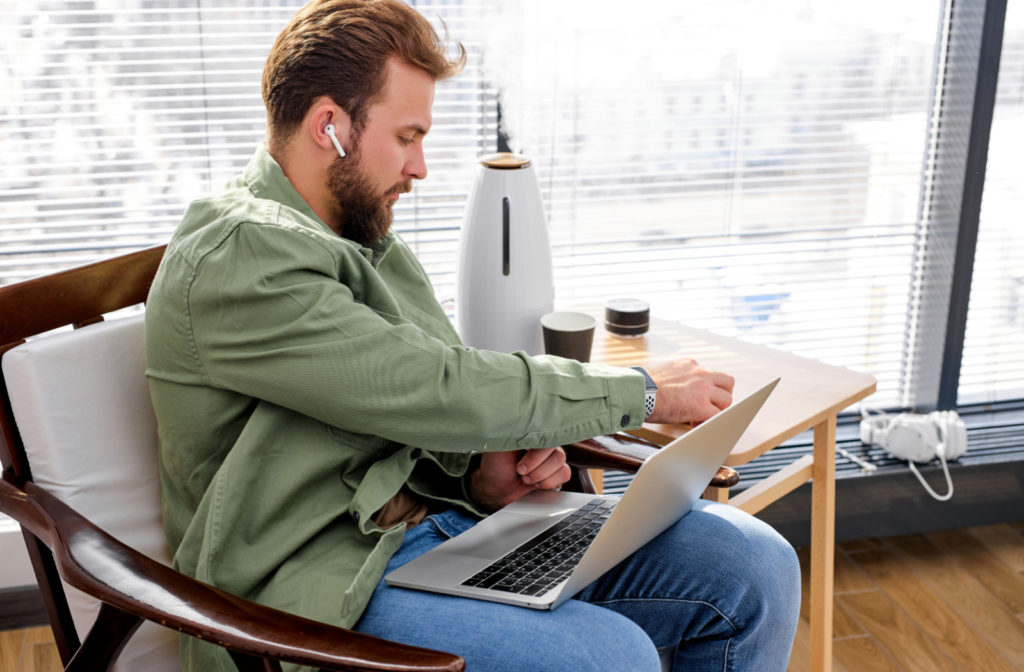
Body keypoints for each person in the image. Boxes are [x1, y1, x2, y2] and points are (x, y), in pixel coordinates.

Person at [144, 1, 801, 670]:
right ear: (329, 126)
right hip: (314, 590)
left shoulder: (364, 241)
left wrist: (481, 480)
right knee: (608, 658)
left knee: (754, 564)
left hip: (440, 537)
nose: (420, 167)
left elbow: (408, 409)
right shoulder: (243, 258)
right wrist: (643, 393)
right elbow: (434, 386)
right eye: (406, 137)